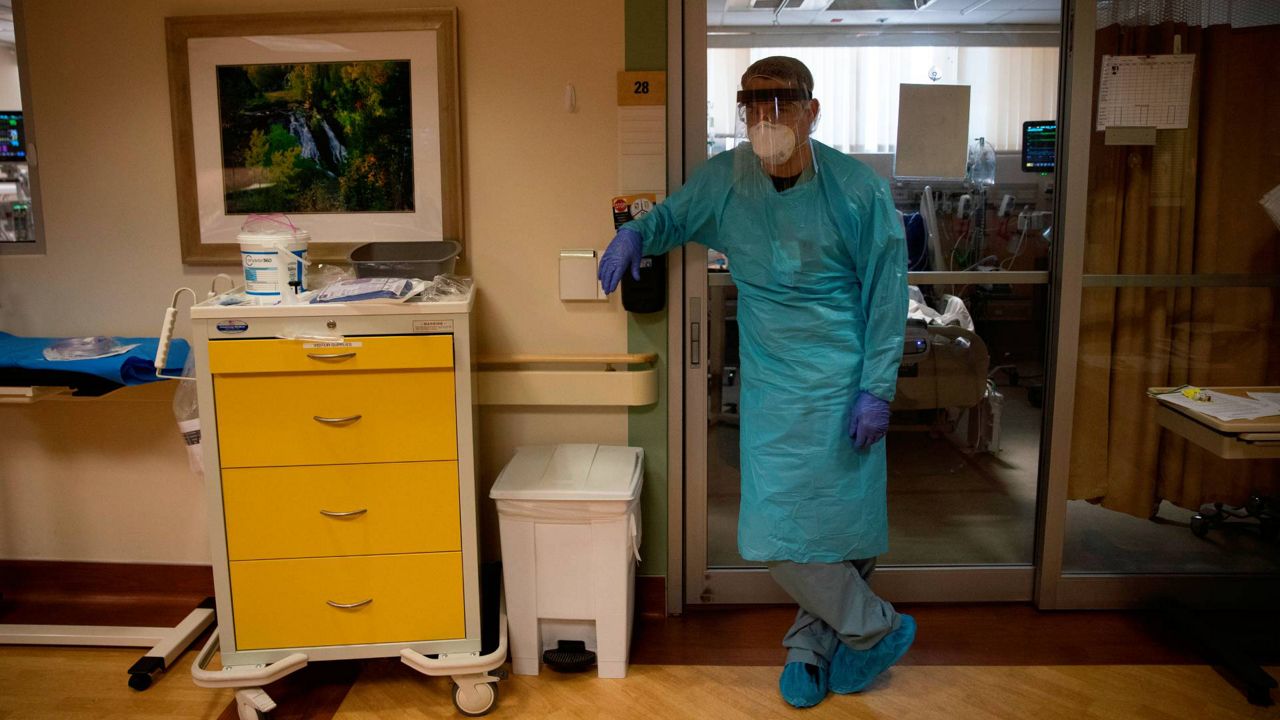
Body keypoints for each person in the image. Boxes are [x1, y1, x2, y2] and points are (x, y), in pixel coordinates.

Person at [598, 56, 914, 708]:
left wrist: (876, 387)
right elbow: (672, 217)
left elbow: (888, 294)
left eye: (781, 106)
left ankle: (808, 647)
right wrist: (635, 234)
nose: (767, 122)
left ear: (811, 112)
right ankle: (874, 628)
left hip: (843, 385)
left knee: (842, 534)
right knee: (777, 538)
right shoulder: (725, 181)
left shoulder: (857, 189)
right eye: (754, 108)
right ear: (740, 113)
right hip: (773, 393)